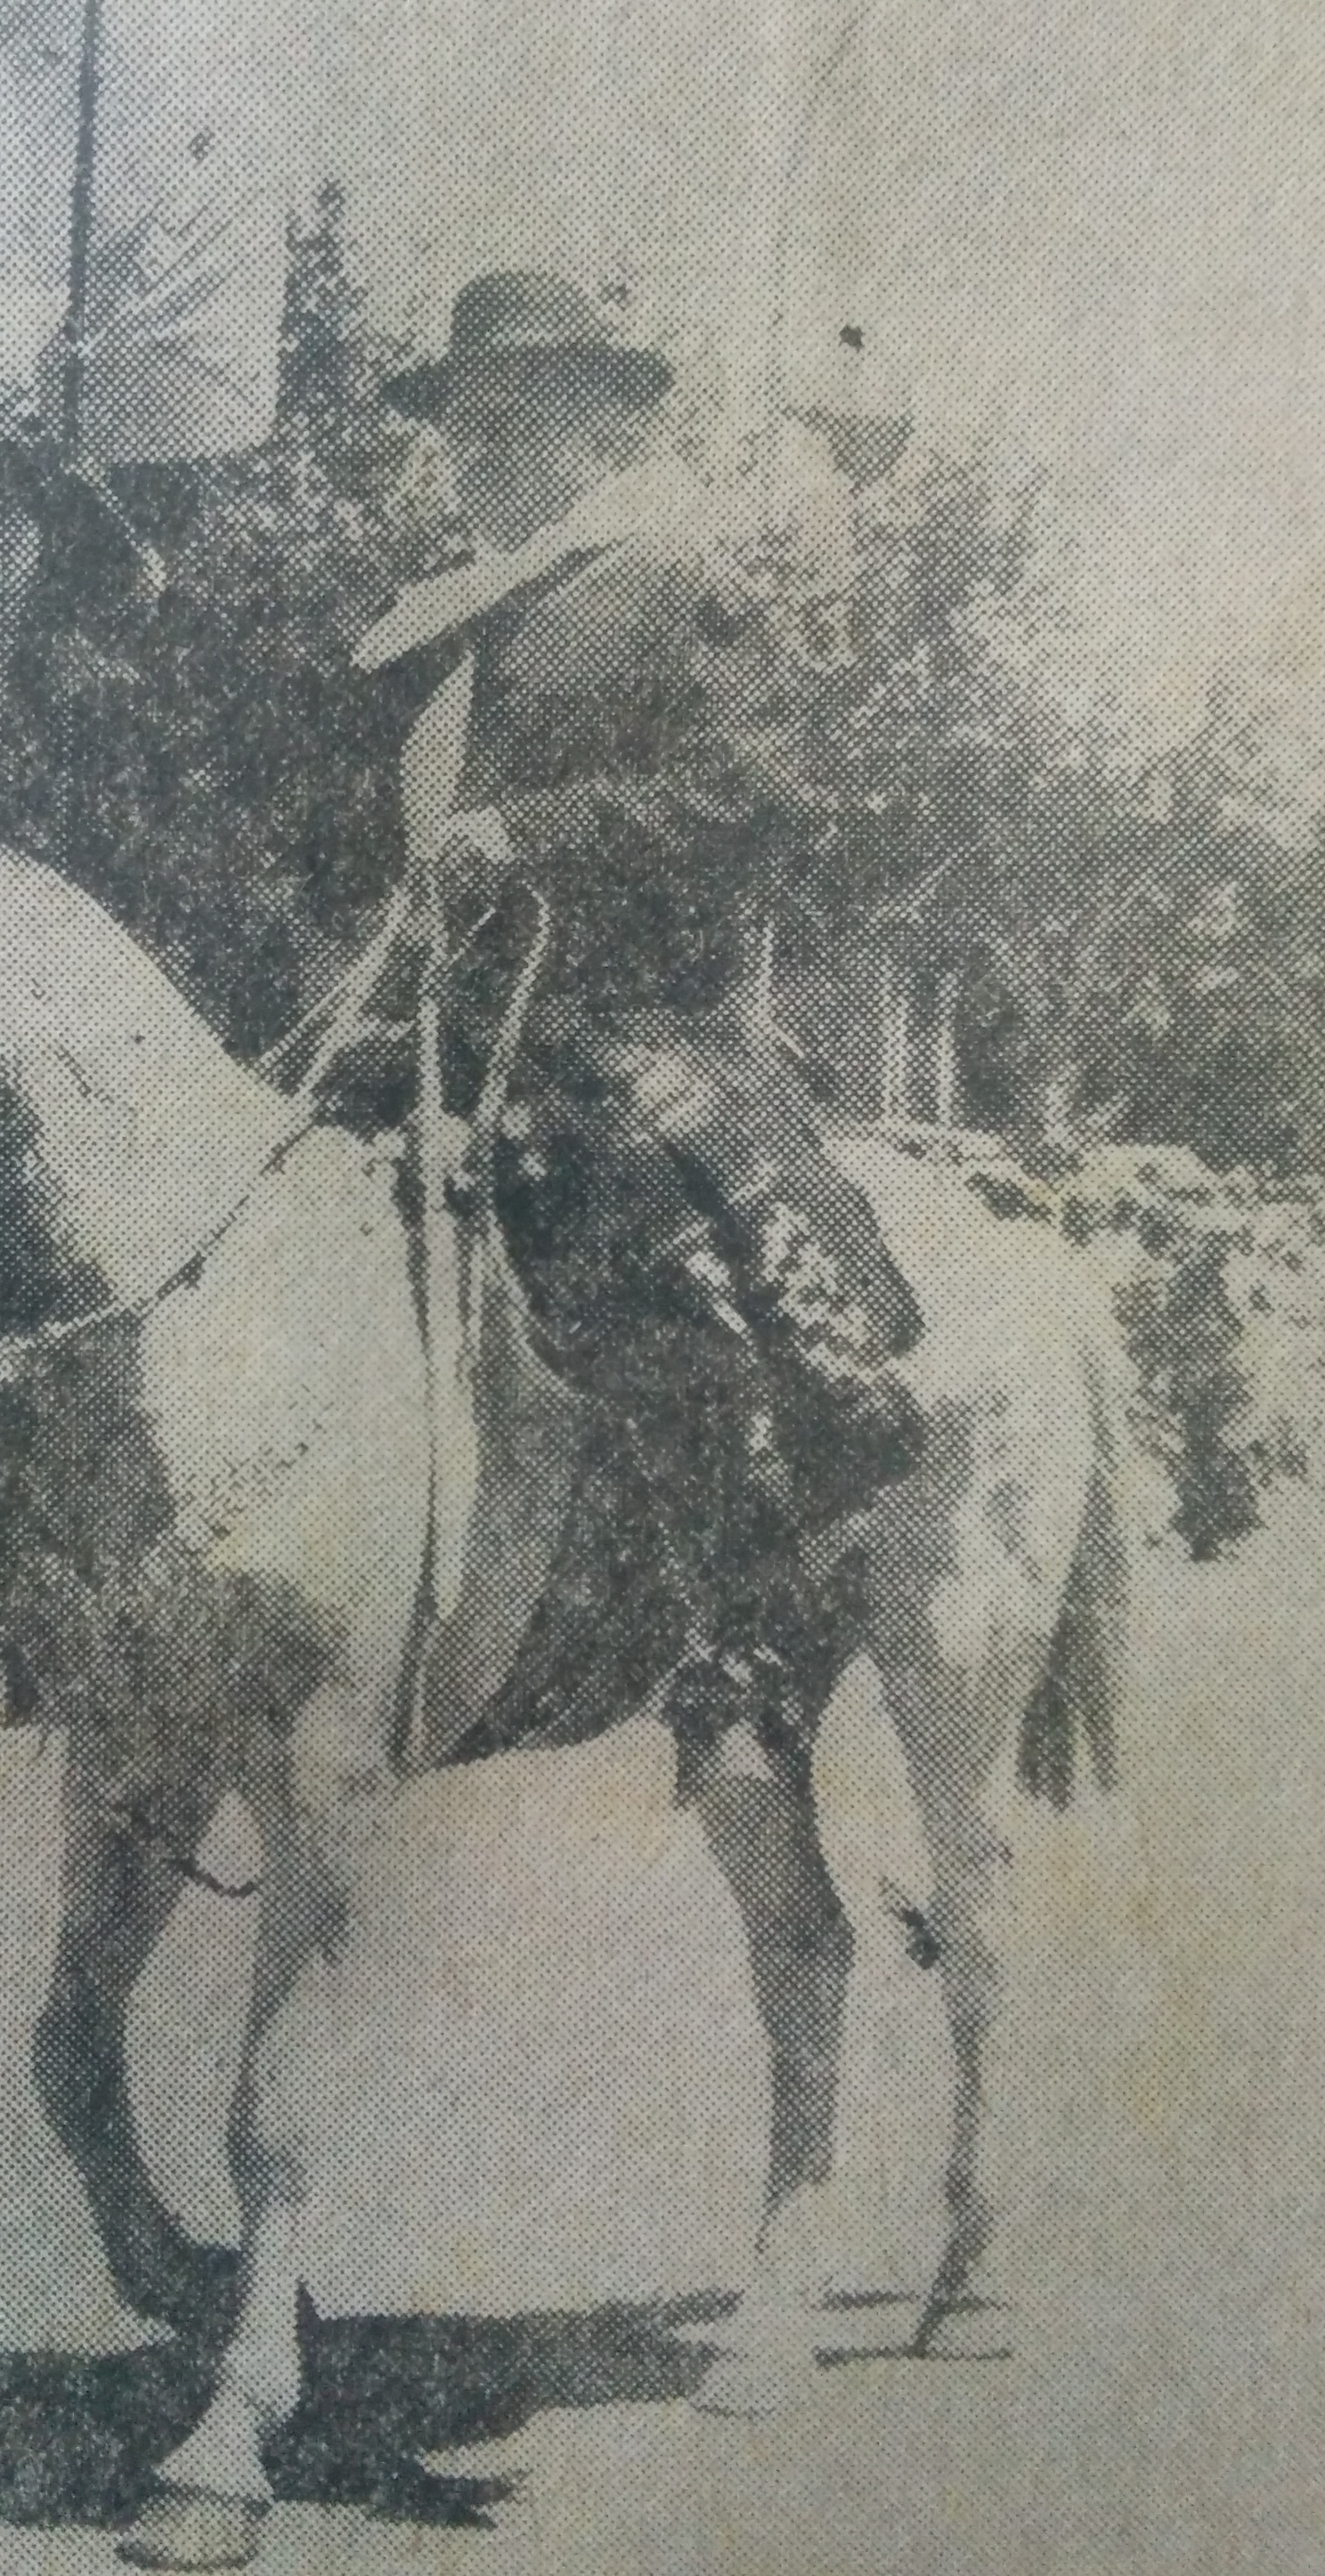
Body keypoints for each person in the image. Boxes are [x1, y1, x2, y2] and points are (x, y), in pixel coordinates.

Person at [349, 268, 927, 1716]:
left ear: (597, 430)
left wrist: (526, 836)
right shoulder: (445, 625)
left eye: (505, 427)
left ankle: (735, 1614)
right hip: (455, 1026)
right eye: (459, 431)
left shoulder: (678, 579)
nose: (470, 459)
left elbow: (757, 786)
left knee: (666, 1241)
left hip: (632, 1019)